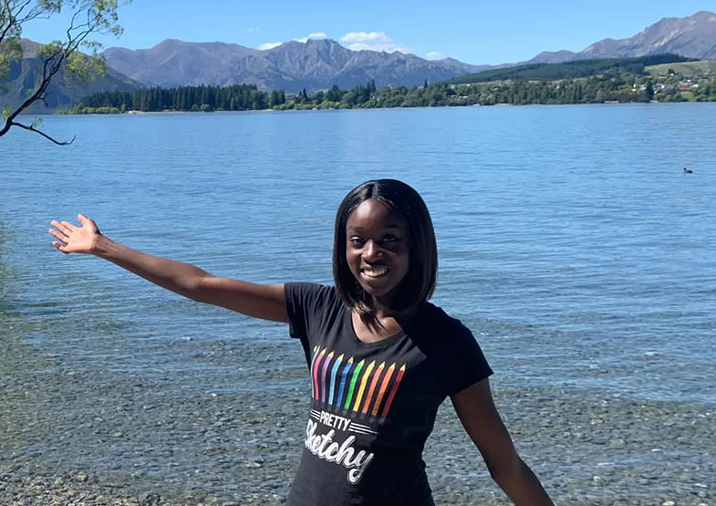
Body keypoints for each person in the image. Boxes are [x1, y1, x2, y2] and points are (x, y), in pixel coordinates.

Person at [49, 179, 553, 506]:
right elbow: (199, 285)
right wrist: (104, 247)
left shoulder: (448, 342)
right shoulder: (318, 308)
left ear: (416, 243)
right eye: (358, 240)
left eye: (389, 239)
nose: (371, 253)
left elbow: (502, 462)